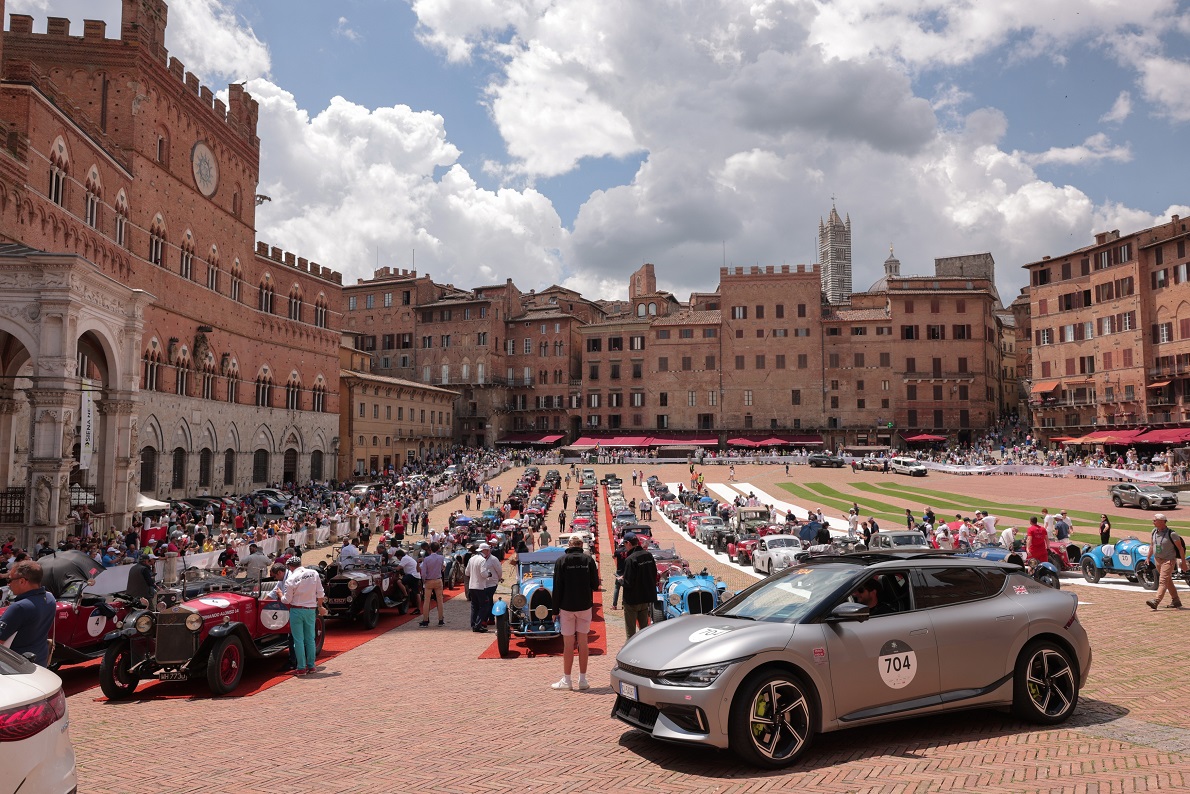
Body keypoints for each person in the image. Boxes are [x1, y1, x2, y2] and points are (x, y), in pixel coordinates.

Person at [550, 536, 600, 691]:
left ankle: (567, 680)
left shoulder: (561, 561)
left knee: (568, 644)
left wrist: (554, 610)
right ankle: (582, 679)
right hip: (584, 605)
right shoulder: (588, 560)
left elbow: (557, 587)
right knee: (583, 642)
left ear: (569, 545)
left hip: (567, 606)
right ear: (581, 545)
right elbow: (595, 585)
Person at [0, 560, 56, 666]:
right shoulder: (50, 598)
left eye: (10, 579)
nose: (8, 584)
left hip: (17, 668)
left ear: (22, 581)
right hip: (40, 664)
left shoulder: (19, 607)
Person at [278, 554, 325, 675]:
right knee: (310, 639)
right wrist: (320, 606)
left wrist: (280, 594)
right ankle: (311, 666)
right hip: (311, 609)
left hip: (297, 610)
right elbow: (320, 593)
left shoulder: (290, 579)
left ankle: (301, 667)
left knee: (298, 640)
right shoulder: (314, 573)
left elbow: (287, 600)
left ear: (290, 567)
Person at [620, 532, 658, 638]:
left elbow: (628, 582)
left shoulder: (630, 559)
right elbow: (654, 573)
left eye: (625, 544)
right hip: (645, 598)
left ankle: (631, 648)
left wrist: (620, 580)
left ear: (628, 543)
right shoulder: (648, 555)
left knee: (631, 633)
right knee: (644, 631)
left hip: (632, 600)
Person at [1145, 514, 1186, 610]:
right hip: (1157, 560)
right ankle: (1176, 601)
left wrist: (1183, 562)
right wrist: (1148, 557)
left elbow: (1180, 548)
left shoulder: (1172, 534)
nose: (1153, 522)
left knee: (1163, 581)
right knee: (1168, 580)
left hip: (1169, 561)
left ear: (1162, 521)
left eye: (1154, 520)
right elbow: (1152, 545)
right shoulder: (1154, 531)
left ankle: (1156, 601)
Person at [466, 543, 498, 632]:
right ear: (484, 551)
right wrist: (489, 574)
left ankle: (474, 624)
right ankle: (478, 624)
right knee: (484, 606)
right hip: (480, 586)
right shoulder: (482, 560)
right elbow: (483, 574)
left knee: (474, 606)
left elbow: (467, 572)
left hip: (471, 586)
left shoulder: (471, 559)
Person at [418, 541, 446, 627]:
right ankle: (440, 620)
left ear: (430, 549)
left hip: (429, 580)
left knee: (427, 601)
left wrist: (424, 580)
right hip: (438, 580)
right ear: (438, 549)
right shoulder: (441, 558)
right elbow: (443, 567)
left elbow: (423, 572)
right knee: (440, 601)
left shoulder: (426, 559)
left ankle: (425, 620)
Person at [393, 549, 421, 614]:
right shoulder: (408, 557)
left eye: (398, 557)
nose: (398, 559)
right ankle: (418, 609)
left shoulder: (404, 558)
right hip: (416, 575)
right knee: (417, 593)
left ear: (400, 556)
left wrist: (392, 568)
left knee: (399, 582)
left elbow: (398, 568)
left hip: (412, 575)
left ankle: (406, 595)